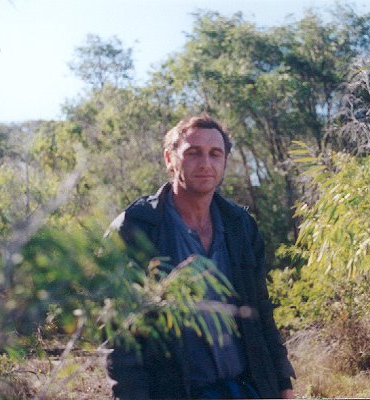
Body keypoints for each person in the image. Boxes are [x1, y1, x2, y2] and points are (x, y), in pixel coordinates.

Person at [105, 114, 296, 399]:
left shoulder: (240, 226)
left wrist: (283, 384)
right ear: (170, 158)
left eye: (215, 154)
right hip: (175, 392)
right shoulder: (137, 228)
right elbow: (119, 336)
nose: (205, 163)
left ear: (224, 162)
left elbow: (261, 311)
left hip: (245, 388)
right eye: (193, 153)